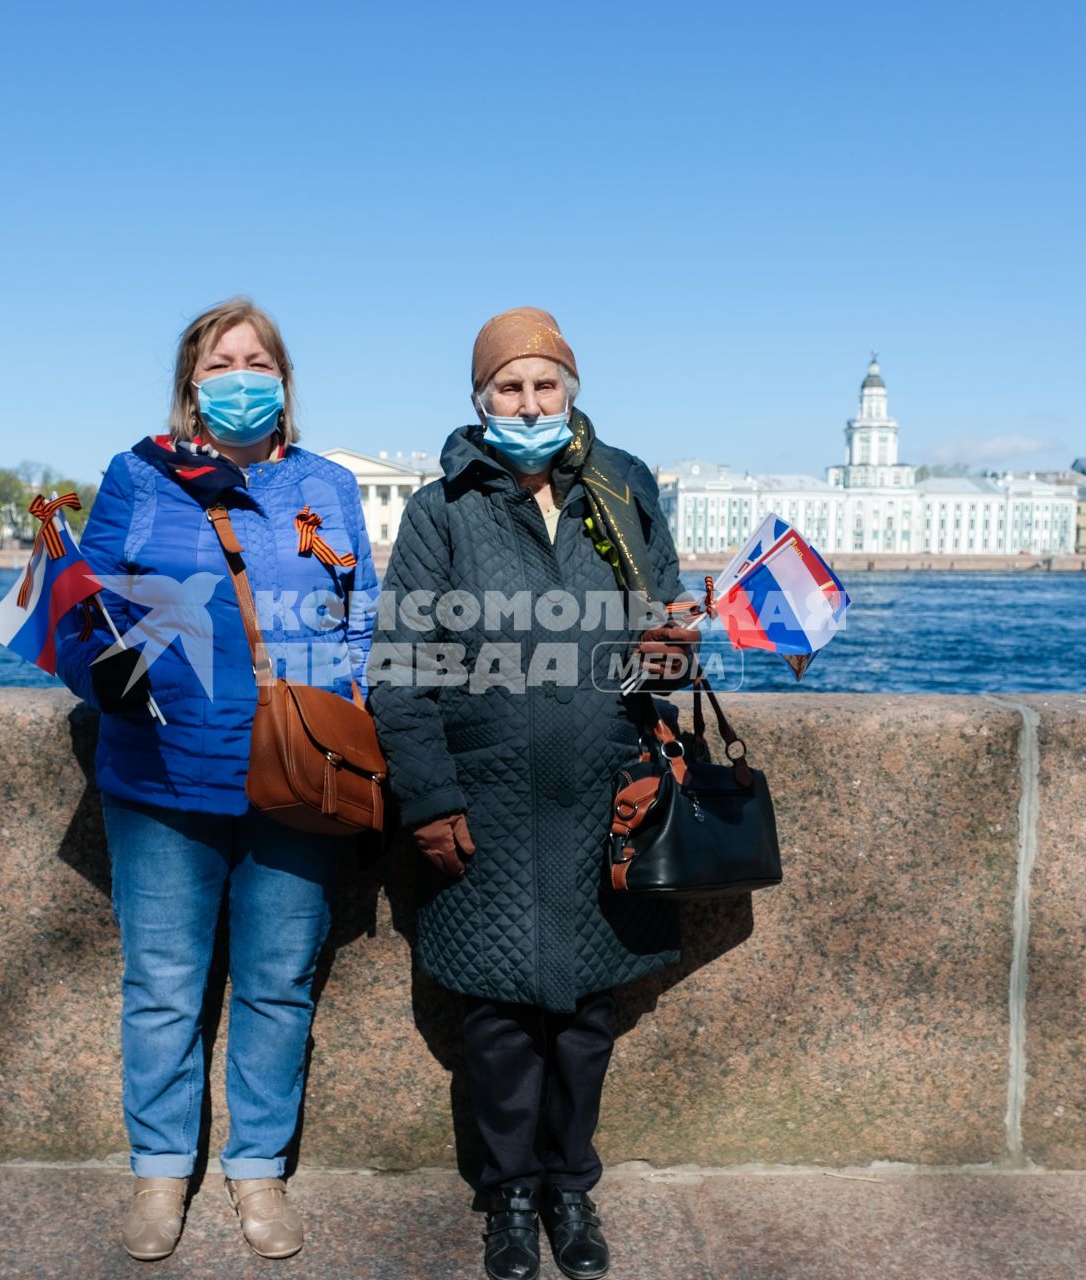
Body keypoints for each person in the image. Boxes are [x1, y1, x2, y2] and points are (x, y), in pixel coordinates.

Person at [369, 307, 697, 1280]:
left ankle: (570, 1184)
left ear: (571, 388)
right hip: (488, 805)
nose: (528, 401)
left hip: (606, 797)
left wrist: (669, 645)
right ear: (480, 399)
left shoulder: (624, 489)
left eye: (544, 384)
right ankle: (508, 1193)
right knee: (501, 1025)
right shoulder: (444, 509)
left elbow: (667, 608)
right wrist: (428, 798)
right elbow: (400, 666)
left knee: (588, 1014)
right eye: (508, 387)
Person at [54, 298, 375, 1263]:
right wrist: (96, 664)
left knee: (278, 985)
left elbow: (359, 615)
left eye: (257, 361)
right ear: (193, 386)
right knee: (162, 986)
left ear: (283, 380)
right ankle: (160, 1172)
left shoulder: (328, 483)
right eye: (222, 363)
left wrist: (342, 699)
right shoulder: (139, 475)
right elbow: (84, 610)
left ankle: (257, 1170)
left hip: (294, 771)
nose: (242, 377)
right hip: (159, 773)